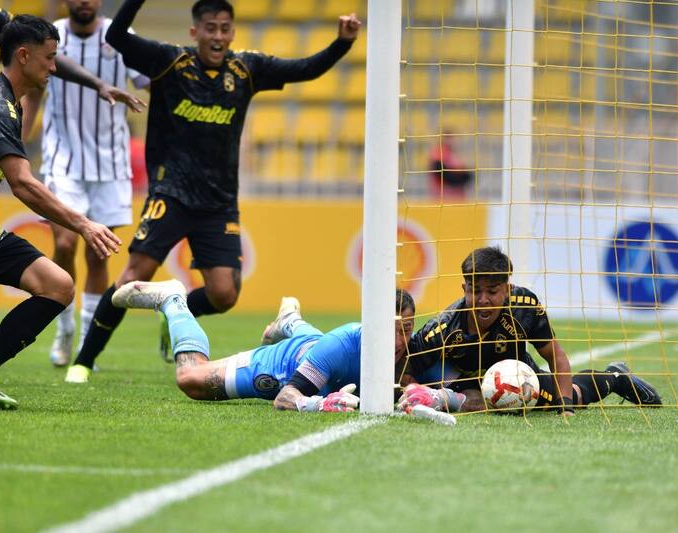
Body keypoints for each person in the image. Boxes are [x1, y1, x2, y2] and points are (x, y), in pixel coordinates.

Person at [65, 0, 362, 383]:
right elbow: (116, 36)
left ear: (232, 32)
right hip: (170, 194)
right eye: (210, 28)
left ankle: (176, 310)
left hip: (218, 204)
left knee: (224, 294)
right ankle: (83, 362)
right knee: (133, 276)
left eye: (224, 28)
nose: (218, 36)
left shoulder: (247, 69)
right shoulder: (169, 61)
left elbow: (305, 69)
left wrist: (342, 42)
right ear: (195, 32)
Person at [0, 0, 145, 382]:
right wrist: (83, 224)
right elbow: (22, 184)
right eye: (49, 58)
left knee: (58, 285)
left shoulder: (6, 98)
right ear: (23, 56)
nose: (54, 67)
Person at [26, 0, 150, 368]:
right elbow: (34, 91)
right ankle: (64, 327)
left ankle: (84, 344)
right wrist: (17, 139)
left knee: (98, 253)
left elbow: (150, 81)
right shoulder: (52, 36)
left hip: (111, 162)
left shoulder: (121, 35)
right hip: (63, 157)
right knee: (65, 243)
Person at [398, 246, 663, 415]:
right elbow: (406, 372)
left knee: (573, 395)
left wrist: (566, 409)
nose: (483, 300)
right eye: (475, 291)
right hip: (467, 382)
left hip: (520, 374)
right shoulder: (443, 329)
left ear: (507, 290)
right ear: (464, 289)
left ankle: (616, 377)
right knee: (473, 402)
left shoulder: (524, 307)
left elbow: (555, 356)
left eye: (492, 292)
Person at [110, 279, 429, 412]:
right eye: (390, 330)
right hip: (285, 366)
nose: (398, 341)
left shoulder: (414, 350)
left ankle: (289, 320)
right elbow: (285, 398)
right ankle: (173, 300)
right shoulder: (340, 345)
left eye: (406, 330)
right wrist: (319, 404)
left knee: (317, 346)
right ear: (371, 325)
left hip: (316, 350)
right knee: (190, 379)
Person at [427, 134, 474, 200]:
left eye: (451, 138)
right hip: (443, 195)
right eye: (448, 138)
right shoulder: (438, 153)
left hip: (457, 195)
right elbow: (440, 171)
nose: (451, 141)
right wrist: (460, 174)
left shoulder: (453, 153)